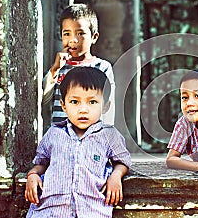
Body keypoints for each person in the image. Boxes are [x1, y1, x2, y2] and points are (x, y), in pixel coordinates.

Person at [25, 67, 131, 217]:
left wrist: (116, 176)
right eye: (74, 101)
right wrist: (32, 176)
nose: (83, 109)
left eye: (92, 102)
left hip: (91, 210)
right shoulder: (54, 134)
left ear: (105, 106)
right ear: (63, 105)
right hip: (50, 211)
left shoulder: (109, 135)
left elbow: (122, 161)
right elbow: (41, 163)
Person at [42, 3, 115, 125]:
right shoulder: (59, 68)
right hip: (61, 138)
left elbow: (108, 108)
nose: (73, 40)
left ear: (94, 37)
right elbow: (44, 100)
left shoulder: (102, 68)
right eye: (67, 34)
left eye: (80, 33)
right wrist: (55, 69)